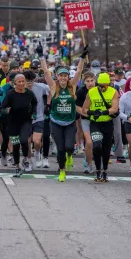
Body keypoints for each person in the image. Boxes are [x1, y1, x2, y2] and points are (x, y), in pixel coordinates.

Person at [40, 43, 86, 182]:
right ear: (58, 77)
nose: (63, 78)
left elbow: (78, 72)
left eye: (65, 76)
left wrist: (82, 57)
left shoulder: (72, 87)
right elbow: (46, 73)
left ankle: (70, 155)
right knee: (60, 149)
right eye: (61, 76)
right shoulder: (54, 87)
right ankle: (62, 171)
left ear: (67, 77)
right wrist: (41, 57)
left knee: (69, 147)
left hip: (70, 122)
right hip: (56, 122)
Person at [82, 72, 120, 183]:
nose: (103, 87)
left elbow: (114, 109)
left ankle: (105, 171)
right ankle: (98, 170)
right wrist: (92, 112)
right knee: (97, 146)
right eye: (101, 85)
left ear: (109, 84)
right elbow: (84, 109)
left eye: (105, 85)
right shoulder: (92, 92)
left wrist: (103, 112)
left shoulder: (114, 92)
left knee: (106, 148)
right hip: (95, 123)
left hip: (107, 123)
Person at [0, 74, 37, 177]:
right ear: (14, 83)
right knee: (16, 145)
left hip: (26, 121)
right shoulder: (10, 94)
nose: (21, 83)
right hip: (12, 123)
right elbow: (2, 108)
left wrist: (34, 113)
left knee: (24, 140)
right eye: (19, 82)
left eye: (23, 81)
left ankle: (25, 158)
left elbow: (34, 103)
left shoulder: (29, 93)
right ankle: (17, 167)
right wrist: (6, 111)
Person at [23, 70, 49, 169]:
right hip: (25, 119)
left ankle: (38, 153)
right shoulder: (20, 88)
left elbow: (52, 89)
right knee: (27, 142)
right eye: (27, 81)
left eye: (31, 81)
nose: (29, 84)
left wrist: (48, 104)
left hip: (39, 117)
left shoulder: (41, 87)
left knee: (36, 141)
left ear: (34, 80)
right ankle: (29, 162)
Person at [75, 71, 96, 174]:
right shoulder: (80, 91)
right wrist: (85, 113)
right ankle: (89, 164)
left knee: (97, 144)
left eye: (92, 80)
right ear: (84, 82)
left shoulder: (100, 90)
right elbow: (77, 107)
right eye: (88, 81)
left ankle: (94, 160)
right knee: (89, 142)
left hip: (99, 120)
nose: (90, 83)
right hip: (86, 119)